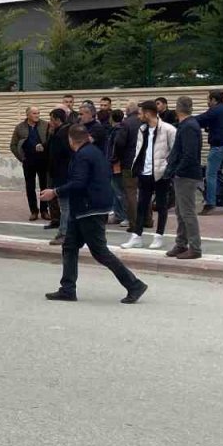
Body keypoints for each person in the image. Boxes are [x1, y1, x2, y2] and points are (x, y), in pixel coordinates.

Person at [41, 125, 148, 304]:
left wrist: (55, 191)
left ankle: (134, 284)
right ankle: (67, 289)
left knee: (100, 251)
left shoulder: (82, 156)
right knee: (69, 246)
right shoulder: (95, 152)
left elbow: (79, 183)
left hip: (89, 209)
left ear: (71, 140)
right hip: (87, 208)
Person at [121, 101, 174, 250]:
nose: (138, 116)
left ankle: (159, 236)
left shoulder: (168, 129)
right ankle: (137, 236)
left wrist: (167, 168)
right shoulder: (142, 129)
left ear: (148, 113)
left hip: (161, 173)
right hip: (144, 172)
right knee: (142, 205)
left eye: (141, 112)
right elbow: (139, 150)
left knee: (162, 205)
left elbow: (174, 151)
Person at [163, 97, 203, 260]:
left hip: (186, 175)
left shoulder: (188, 127)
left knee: (187, 212)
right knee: (181, 211)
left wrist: (177, 170)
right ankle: (181, 243)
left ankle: (194, 247)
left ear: (177, 109)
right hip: (185, 174)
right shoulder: (188, 125)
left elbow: (188, 154)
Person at [193, 89, 223, 214]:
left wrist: (184, 120)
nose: (207, 102)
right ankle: (222, 196)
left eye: (208, 99)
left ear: (213, 100)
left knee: (210, 174)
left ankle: (210, 203)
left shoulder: (216, 110)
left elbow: (201, 119)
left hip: (218, 147)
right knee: (220, 174)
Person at [10, 107, 51, 221]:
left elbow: (51, 140)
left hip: (43, 161)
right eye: (34, 113)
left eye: (38, 113)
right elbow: (13, 145)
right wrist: (21, 158)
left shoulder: (45, 125)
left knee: (44, 186)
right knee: (30, 187)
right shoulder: (20, 127)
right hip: (28, 161)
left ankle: (44, 211)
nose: (37, 115)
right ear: (28, 115)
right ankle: (33, 211)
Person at [46, 109, 73, 242]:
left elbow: (57, 157)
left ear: (57, 120)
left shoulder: (61, 134)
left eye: (51, 119)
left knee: (65, 206)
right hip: (64, 174)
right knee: (66, 206)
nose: (50, 123)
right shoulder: (63, 132)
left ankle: (64, 233)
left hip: (62, 175)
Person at [117, 101, 142, 229]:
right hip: (144, 161)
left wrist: (116, 157)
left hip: (129, 162)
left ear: (128, 110)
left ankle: (134, 222)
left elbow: (120, 143)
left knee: (130, 192)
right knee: (144, 190)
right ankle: (147, 219)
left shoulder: (126, 123)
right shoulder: (144, 121)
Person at [105, 109, 127, 224]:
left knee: (119, 191)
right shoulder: (118, 130)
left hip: (116, 165)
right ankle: (119, 215)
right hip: (116, 164)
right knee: (116, 191)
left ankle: (124, 216)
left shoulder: (116, 131)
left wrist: (112, 160)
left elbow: (115, 148)